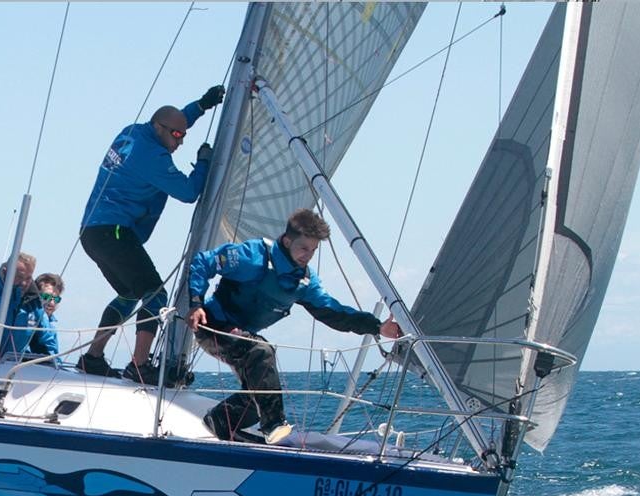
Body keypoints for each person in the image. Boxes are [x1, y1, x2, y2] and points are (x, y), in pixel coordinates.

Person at [186, 208, 401, 444]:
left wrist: (377, 327)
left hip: (243, 338)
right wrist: (195, 303)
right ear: (287, 241)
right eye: (303, 248)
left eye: (314, 250)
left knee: (261, 387)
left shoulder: (304, 282)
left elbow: (334, 312)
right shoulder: (254, 256)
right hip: (212, 326)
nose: (308, 255)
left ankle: (220, 421)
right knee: (261, 352)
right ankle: (273, 425)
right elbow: (203, 262)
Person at [76, 85, 225, 384]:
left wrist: (201, 105)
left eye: (184, 137)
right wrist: (205, 161)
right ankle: (139, 366)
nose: (180, 143)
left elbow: (174, 120)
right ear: (161, 129)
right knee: (155, 294)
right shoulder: (152, 156)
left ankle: (92, 358)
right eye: (177, 137)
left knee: (130, 293)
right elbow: (188, 192)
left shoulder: (134, 132)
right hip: (114, 232)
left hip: (93, 232)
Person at [27, 272, 63, 360]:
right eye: (46, 297)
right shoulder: (26, 320)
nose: (51, 303)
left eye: (56, 299)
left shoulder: (52, 329)